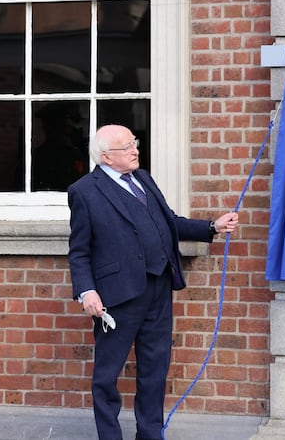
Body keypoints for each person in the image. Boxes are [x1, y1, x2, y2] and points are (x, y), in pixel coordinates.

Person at [67, 124, 239, 440]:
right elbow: (79, 250)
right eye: (127, 147)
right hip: (116, 297)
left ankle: (149, 434)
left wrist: (212, 226)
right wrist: (86, 291)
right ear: (106, 156)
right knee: (106, 376)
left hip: (158, 289)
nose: (135, 150)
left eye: (135, 143)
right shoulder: (85, 191)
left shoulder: (143, 179)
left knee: (154, 371)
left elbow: (169, 222)